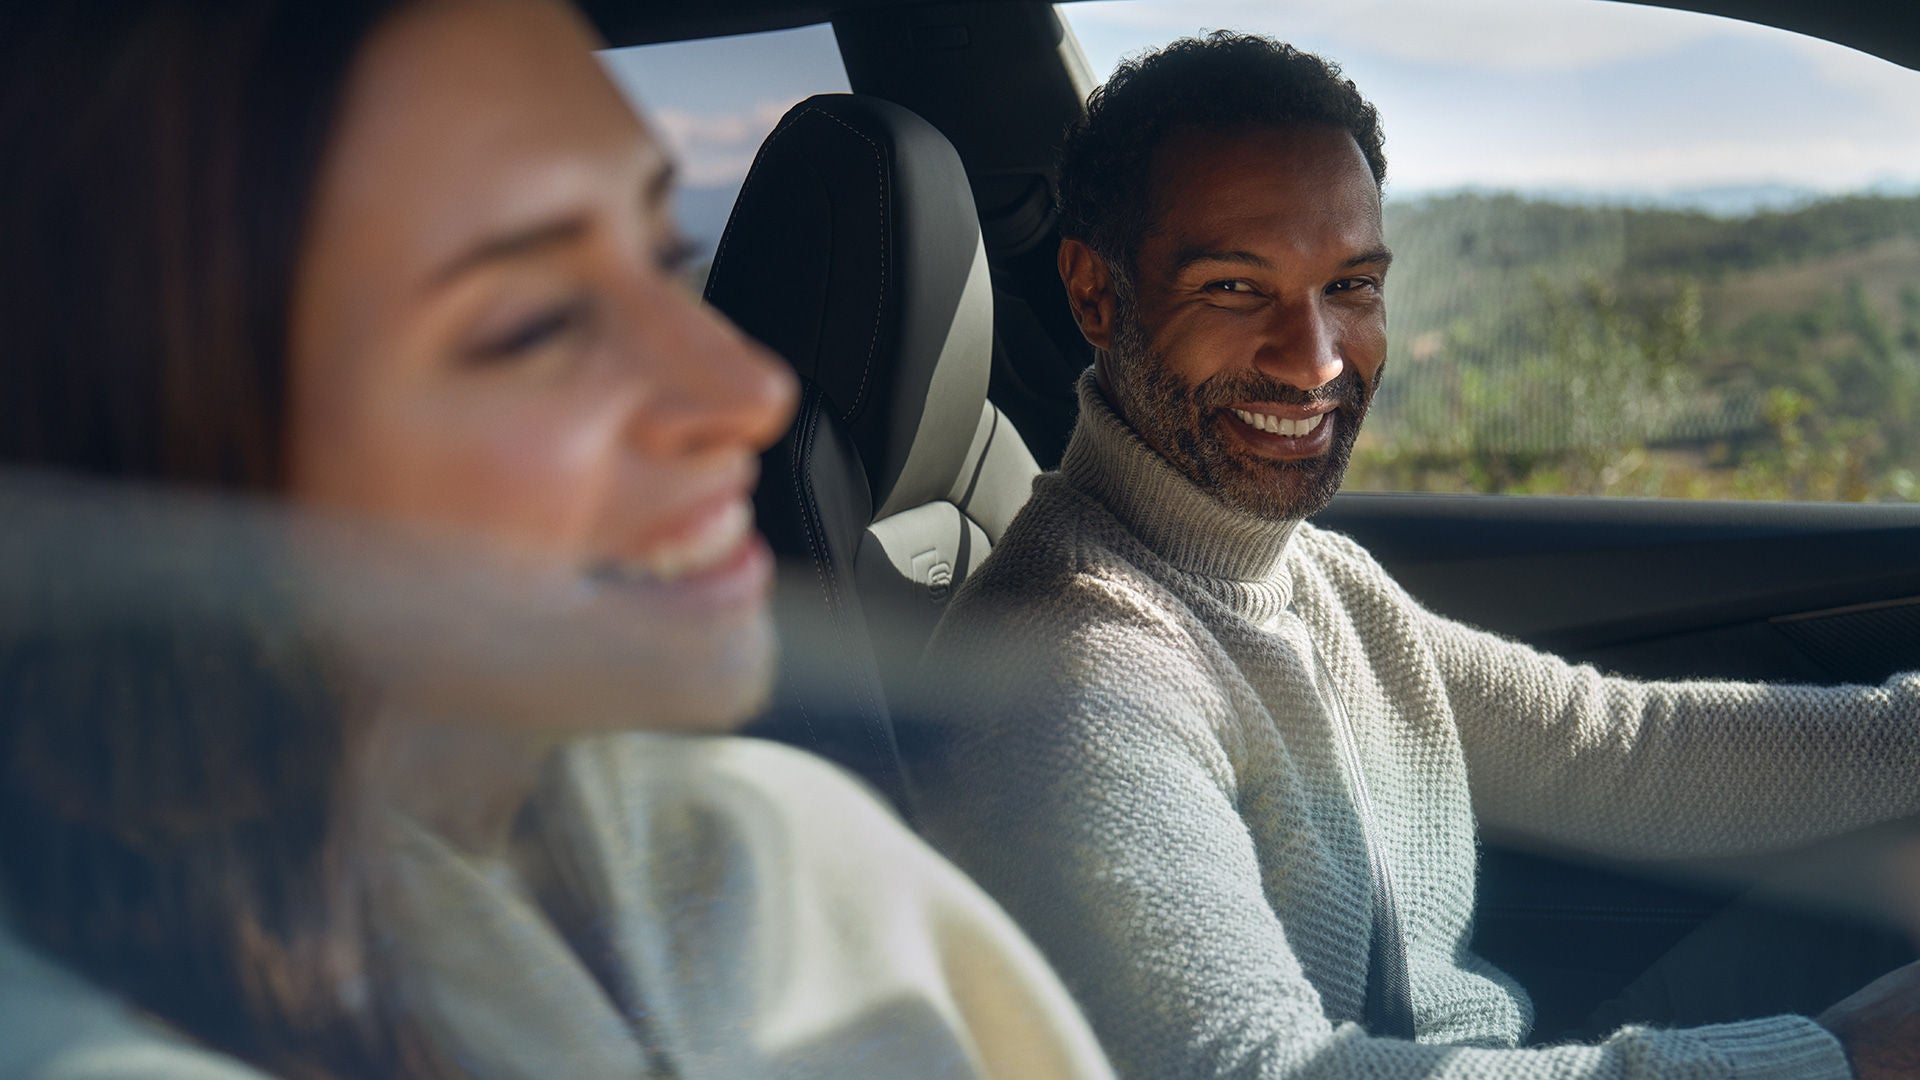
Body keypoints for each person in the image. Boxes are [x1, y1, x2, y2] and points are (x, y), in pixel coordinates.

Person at [0, 2, 1114, 1078]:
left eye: (662, 255)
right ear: (144, 447)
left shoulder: (791, 860)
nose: (750, 392)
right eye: (535, 325)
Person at [905, 31, 1920, 1080]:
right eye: (1235, 288)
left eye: (1350, 285)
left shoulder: (1308, 580)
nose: (1315, 361)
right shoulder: (1076, 672)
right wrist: (1844, 1057)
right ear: (1095, 294)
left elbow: (1612, 749)